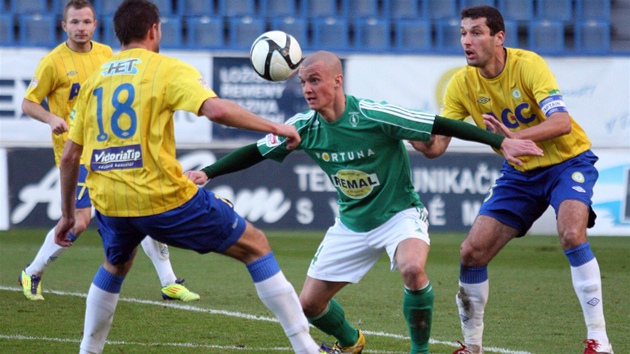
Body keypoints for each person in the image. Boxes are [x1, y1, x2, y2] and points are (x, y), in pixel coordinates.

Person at [185, 50, 543, 354]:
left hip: (399, 215)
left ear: (337, 81)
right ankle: (351, 341)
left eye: (315, 80)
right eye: (303, 83)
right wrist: (209, 173)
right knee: (308, 306)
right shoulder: (303, 127)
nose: (308, 89)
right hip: (351, 224)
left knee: (413, 270)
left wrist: (500, 142)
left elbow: (438, 124)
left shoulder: (374, 114)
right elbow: (257, 151)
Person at [53, 1, 333, 353]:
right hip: (161, 196)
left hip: (109, 199)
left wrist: (68, 215)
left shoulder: (94, 79)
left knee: (116, 263)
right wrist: (275, 126)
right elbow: (214, 109)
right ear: (154, 30)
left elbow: (69, 156)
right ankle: (306, 349)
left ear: (118, 34)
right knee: (256, 246)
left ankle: (87, 351)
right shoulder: (165, 68)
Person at [409, 5, 613, 354]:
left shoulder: (527, 65)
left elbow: (562, 122)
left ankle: (599, 340)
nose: (466, 41)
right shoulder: (461, 84)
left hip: (567, 161)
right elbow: (436, 147)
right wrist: (405, 131)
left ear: (498, 37)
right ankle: (472, 347)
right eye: (462, 33)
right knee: (472, 252)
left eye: (475, 32)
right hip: (520, 173)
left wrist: (515, 137)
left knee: (571, 232)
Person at [19, 0, 199, 302]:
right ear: (64, 26)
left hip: (109, 148)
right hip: (75, 153)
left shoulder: (106, 55)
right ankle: (33, 271)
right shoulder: (53, 62)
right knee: (80, 219)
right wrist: (51, 117)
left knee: (143, 204)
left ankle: (169, 281)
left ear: (95, 25)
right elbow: (28, 102)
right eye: (74, 22)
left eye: (86, 22)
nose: (81, 28)